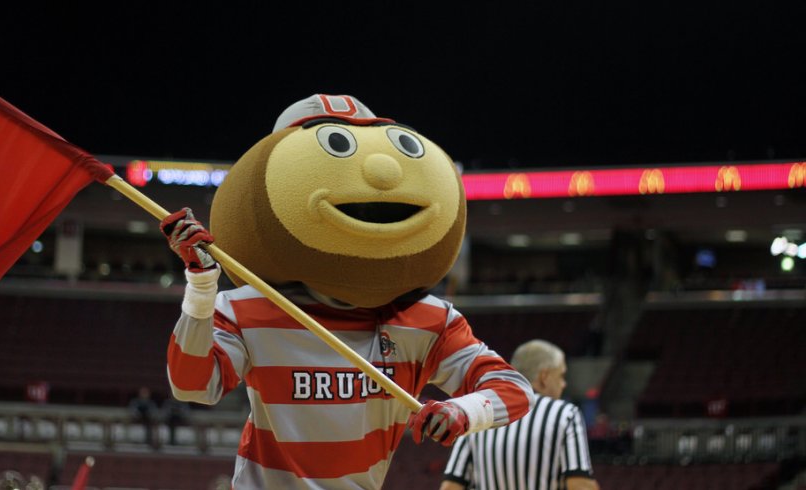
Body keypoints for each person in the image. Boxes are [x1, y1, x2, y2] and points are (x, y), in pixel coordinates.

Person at [159, 94, 535, 489]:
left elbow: (514, 389)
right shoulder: (247, 308)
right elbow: (193, 386)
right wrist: (201, 286)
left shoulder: (430, 320)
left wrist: (463, 411)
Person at [441, 340, 599, 490]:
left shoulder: (479, 414)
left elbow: (451, 486)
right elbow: (580, 485)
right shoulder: (565, 414)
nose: (563, 384)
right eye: (561, 376)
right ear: (544, 377)